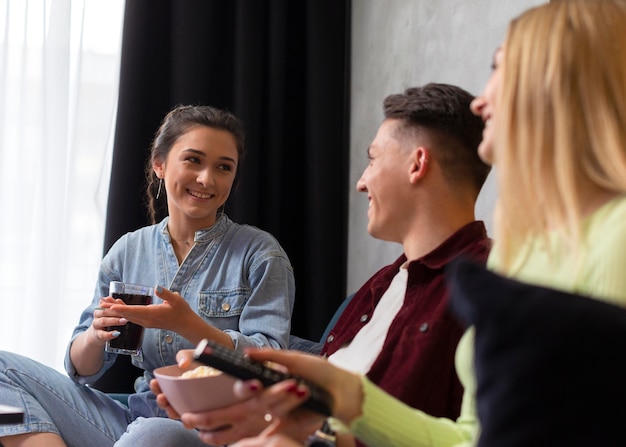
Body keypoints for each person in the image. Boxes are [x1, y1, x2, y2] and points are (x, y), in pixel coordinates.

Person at [195, 1, 626, 446]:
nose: (482, 100)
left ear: (552, 80)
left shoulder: (613, 240)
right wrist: (342, 400)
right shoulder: (528, 253)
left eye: (501, 68)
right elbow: (471, 438)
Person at [151, 83, 492, 447]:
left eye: (373, 158)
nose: (362, 181)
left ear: (417, 164)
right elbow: (325, 421)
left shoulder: (486, 291)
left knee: (153, 436)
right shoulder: (382, 284)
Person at [0, 104, 296, 447]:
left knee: (154, 433)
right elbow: (81, 369)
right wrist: (96, 335)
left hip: (212, 431)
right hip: (132, 420)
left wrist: (190, 326)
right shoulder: (128, 251)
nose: (206, 179)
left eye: (223, 167)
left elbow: (272, 366)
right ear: (160, 165)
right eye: (193, 160)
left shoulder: (260, 254)